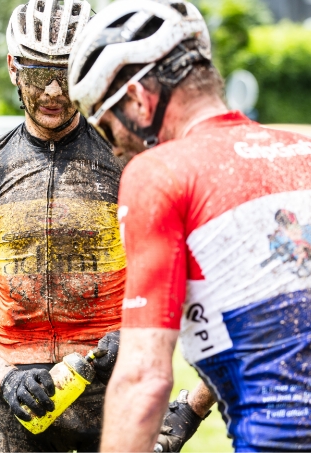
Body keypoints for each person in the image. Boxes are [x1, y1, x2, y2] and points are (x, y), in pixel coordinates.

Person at [0, 1, 209, 451]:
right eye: (40, 74)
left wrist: (134, 333)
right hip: (18, 396)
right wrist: (4, 378)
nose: (54, 91)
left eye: (68, 72)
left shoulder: (125, 155)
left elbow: (179, 276)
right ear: (13, 68)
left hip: (114, 385)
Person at [68, 0, 311, 451]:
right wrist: (196, 406)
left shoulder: (161, 173)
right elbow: (279, 330)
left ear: (139, 100)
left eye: (105, 127)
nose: (114, 149)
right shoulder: (302, 151)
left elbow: (144, 379)